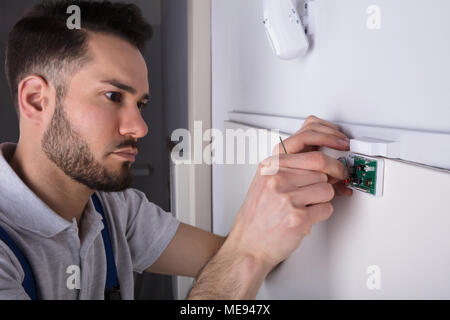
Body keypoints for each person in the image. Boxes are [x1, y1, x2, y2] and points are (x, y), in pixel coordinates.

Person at [0, 0, 352, 300]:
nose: (140, 127)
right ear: (36, 100)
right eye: (113, 96)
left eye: (141, 104)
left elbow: (230, 256)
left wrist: (275, 195)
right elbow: (243, 255)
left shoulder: (113, 210)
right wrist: (250, 251)